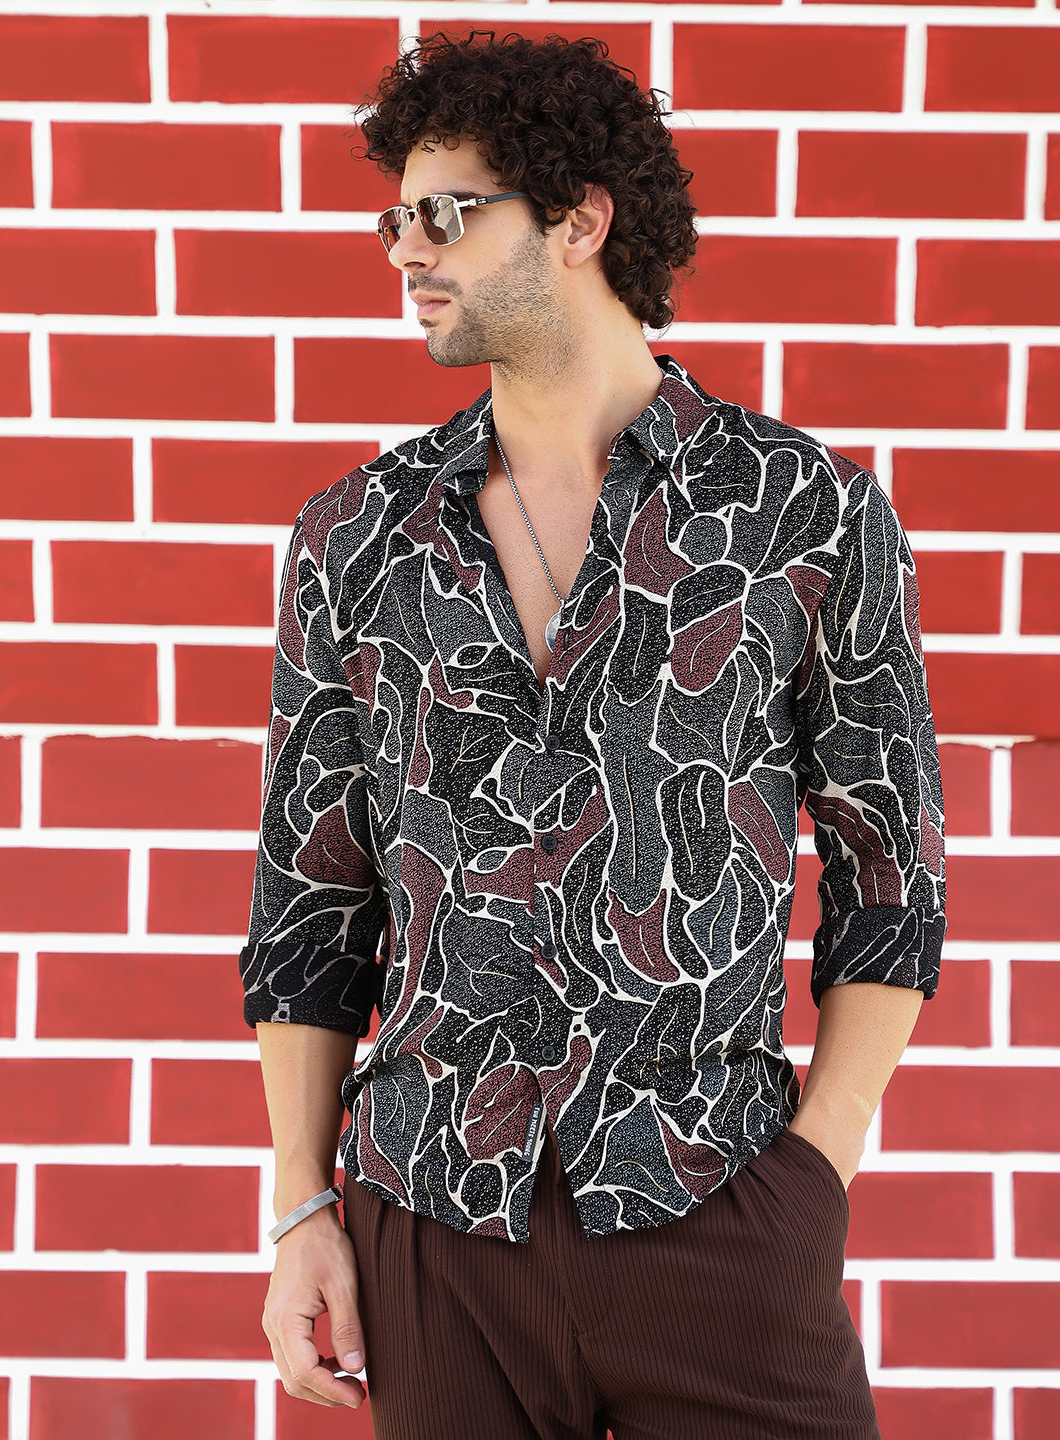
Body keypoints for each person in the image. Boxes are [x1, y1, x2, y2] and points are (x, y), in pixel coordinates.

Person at [239, 29, 946, 1440]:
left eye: (448, 213)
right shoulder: (355, 537)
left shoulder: (801, 513)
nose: (406, 250)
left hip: (713, 1205)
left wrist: (817, 1171)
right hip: (437, 1225)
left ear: (580, 219)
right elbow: (312, 899)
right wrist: (303, 1207)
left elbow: (891, 868)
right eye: (395, 220)